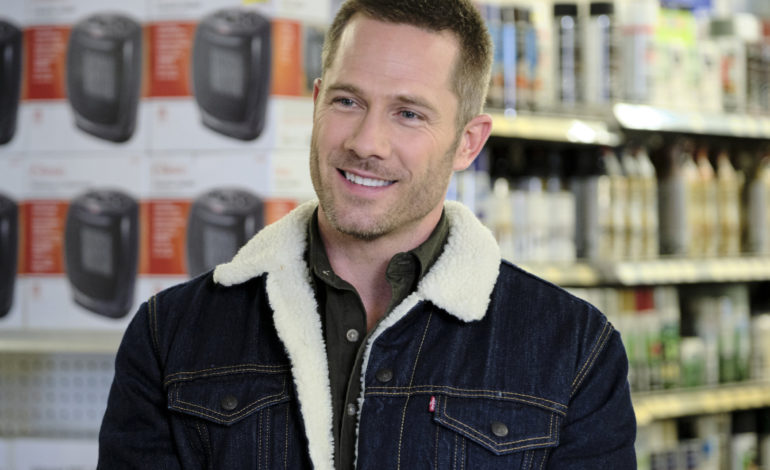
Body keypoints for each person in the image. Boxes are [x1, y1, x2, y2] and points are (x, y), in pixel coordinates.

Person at [97, 0, 637, 468]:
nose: (366, 142)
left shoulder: (574, 352)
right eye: (347, 101)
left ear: (468, 143)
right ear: (316, 103)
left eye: (409, 113)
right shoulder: (170, 335)